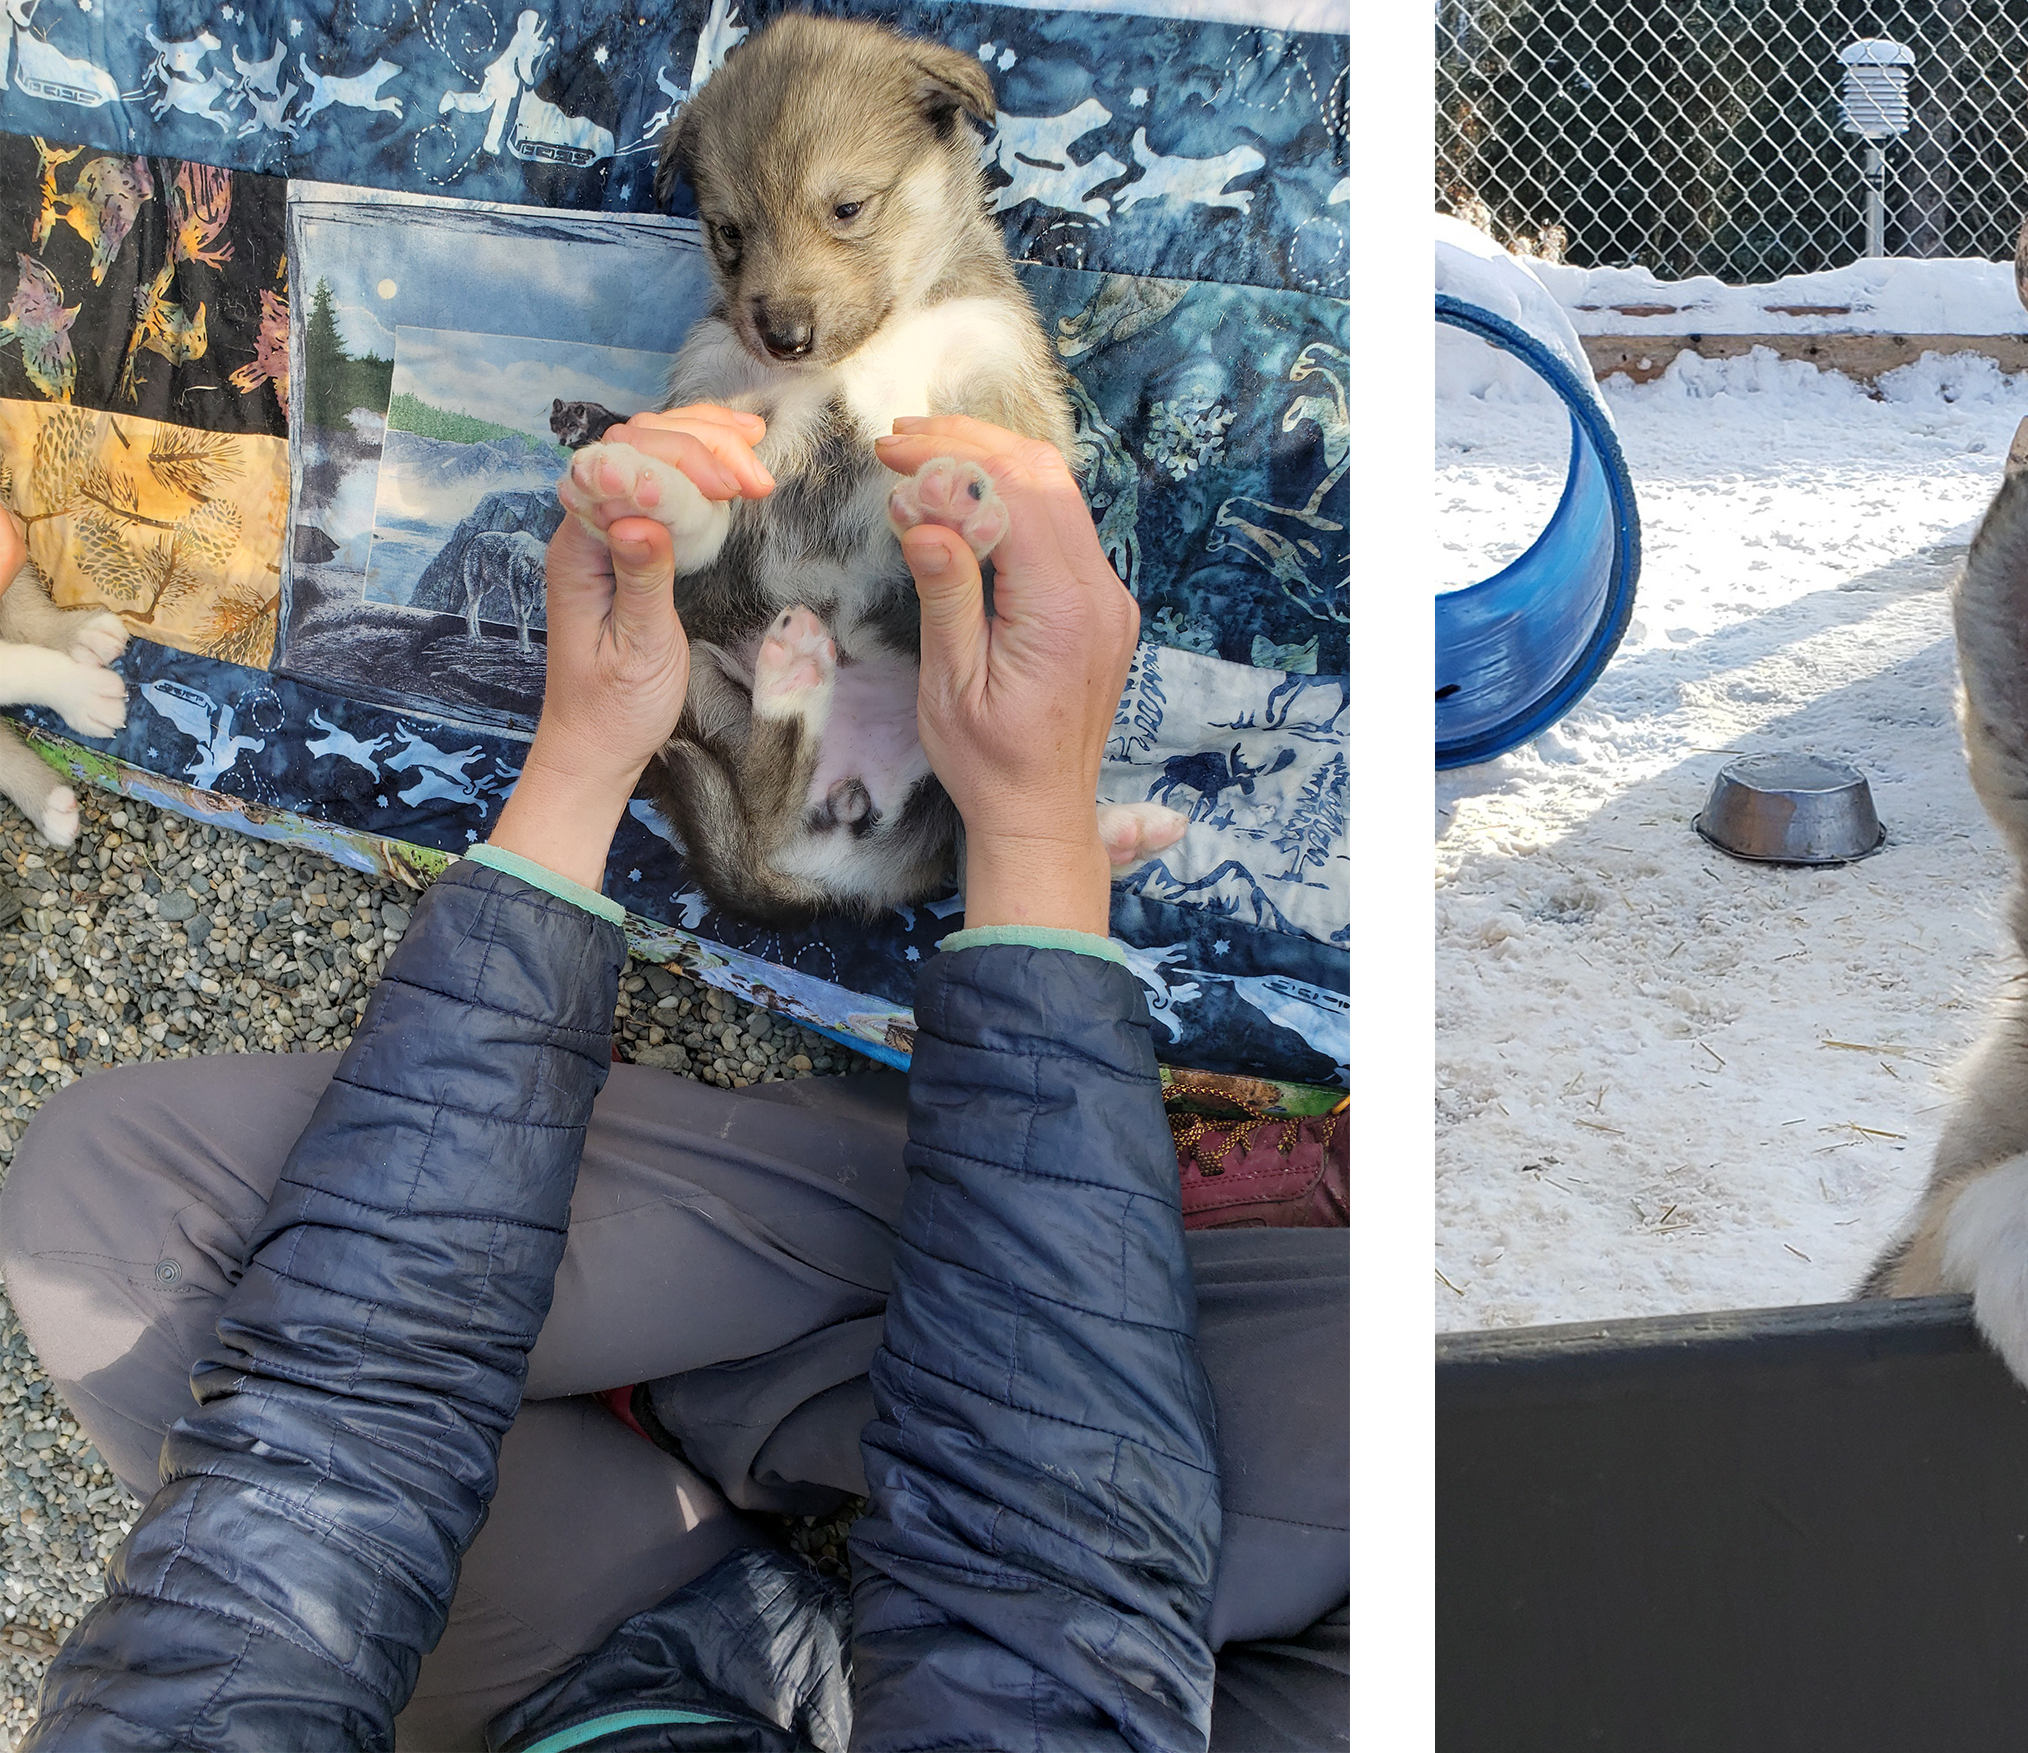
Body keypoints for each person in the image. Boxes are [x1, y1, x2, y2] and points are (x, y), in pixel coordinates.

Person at [0, 410, 1344, 1750]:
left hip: (569, 1680)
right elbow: (1049, 1623)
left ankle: (723, 1354)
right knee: (1408, 1458)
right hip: (1032, 1679)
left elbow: (315, 1466)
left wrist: (584, 758)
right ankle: (944, 1262)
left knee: (98, 1213)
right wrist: (1035, 843)